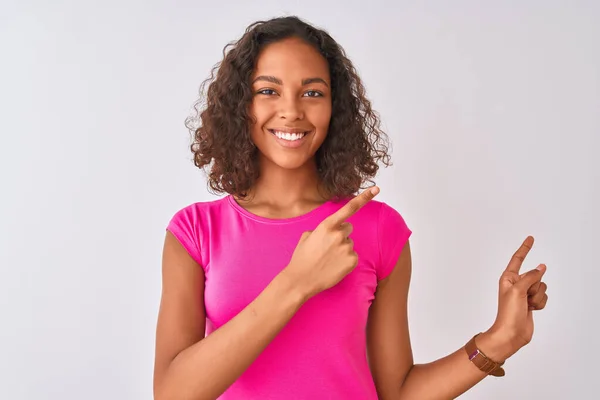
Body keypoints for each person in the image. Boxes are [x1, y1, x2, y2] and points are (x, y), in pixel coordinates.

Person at [152, 16, 549, 400]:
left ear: (335, 108)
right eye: (268, 90)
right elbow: (172, 394)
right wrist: (296, 282)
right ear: (242, 105)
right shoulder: (196, 231)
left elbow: (398, 392)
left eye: (312, 92)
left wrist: (499, 341)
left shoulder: (379, 228)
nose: (291, 110)